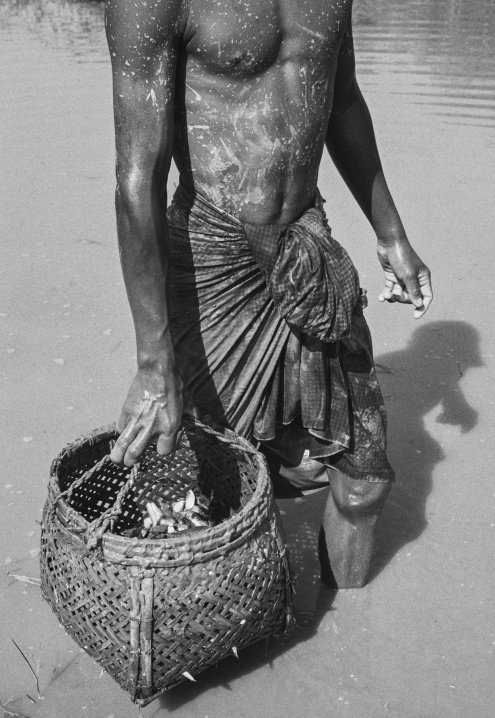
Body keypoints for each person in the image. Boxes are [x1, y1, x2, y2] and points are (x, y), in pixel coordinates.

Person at [106, 0, 433, 589]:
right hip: (210, 257)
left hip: (306, 246)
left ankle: (346, 647)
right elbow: (138, 177)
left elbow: (345, 100)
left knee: (364, 483)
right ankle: (229, 629)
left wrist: (392, 234)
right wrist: (154, 367)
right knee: (202, 493)